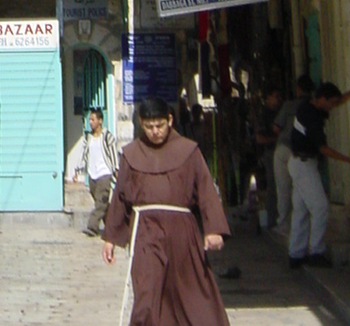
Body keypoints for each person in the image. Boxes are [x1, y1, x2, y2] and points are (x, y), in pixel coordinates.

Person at [102, 95, 231, 326]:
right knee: (147, 294)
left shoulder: (189, 151)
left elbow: (205, 189)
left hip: (183, 232)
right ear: (141, 124)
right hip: (146, 230)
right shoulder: (131, 155)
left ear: (170, 121)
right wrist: (111, 238)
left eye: (159, 125)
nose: (155, 131)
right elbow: (120, 197)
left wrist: (213, 230)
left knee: (192, 294)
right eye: (149, 126)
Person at [288, 75, 350, 269]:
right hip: (304, 164)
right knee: (320, 207)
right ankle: (316, 252)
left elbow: (335, 102)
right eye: (331, 103)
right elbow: (323, 149)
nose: (333, 107)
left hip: (299, 162)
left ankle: (295, 254)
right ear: (322, 99)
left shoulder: (309, 107)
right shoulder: (312, 117)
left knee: (301, 211)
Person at [71, 106, 119, 237]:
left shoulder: (107, 137)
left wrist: (116, 169)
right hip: (92, 174)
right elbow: (84, 154)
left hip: (105, 174)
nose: (90, 122)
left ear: (100, 120)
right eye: (89, 119)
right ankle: (113, 226)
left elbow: (114, 154)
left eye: (93, 119)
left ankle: (92, 227)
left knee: (101, 201)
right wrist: (77, 171)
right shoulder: (88, 138)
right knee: (101, 203)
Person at [272, 76, 311, 233]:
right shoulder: (312, 106)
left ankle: (283, 222)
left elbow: (276, 127)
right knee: (300, 189)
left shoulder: (289, 106)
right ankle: (302, 223)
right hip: (302, 152)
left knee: (283, 188)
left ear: (298, 89)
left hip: (285, 149)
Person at [254, 82, 283, 231]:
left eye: (279, 97)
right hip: (271, 152)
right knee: (273, 186)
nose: (278, 100)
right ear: (268, 98)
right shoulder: (264, 115)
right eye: (275, 97)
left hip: (281, 152)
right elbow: (259, 138)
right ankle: (272, 220)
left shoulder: (280, 112)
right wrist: (277, 140)